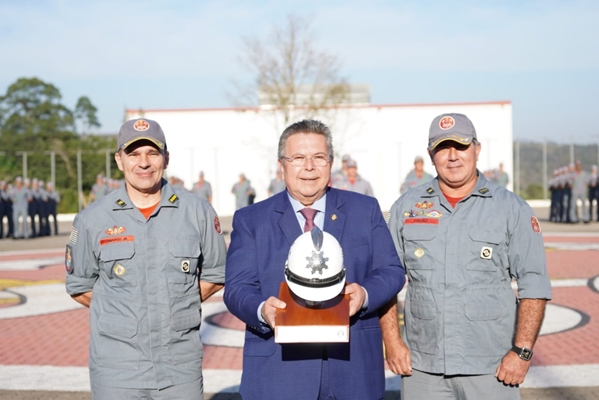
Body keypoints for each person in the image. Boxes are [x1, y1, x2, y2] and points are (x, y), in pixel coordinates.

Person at [224, 119, 406, 400]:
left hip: (353, 370)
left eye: (319, 157)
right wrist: (263, 310)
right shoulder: (251, 220)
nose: (309, 166)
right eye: (298, 158)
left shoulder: (365, 210)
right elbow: (237, 288)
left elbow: (391, 271)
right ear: (281, 165)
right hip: (279, 375)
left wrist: (365, 295)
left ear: (330, 163)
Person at [385, 113, 551, 399]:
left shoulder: (511, 209)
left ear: (477, 148)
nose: (452, 156)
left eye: (461, 146)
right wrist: (392, 341)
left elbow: (533, 283)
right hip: (423, 368)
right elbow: (385, 279)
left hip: (492, 366)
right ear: (430, 154)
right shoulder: (406, 208)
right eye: (442, 148)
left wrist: (522, 352)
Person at [65, 118, 227, 399]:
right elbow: (80, 285)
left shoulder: (198, 213)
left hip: (180, 367)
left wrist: (171, 305)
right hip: (117, 369)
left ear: (166, 158)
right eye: (134, 154)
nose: (144, 163)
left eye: (153, 153)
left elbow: (214, 274)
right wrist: (128, 309)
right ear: (119, 160)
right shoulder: (92, 219)